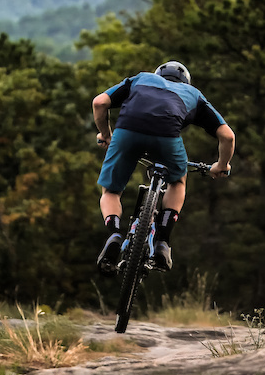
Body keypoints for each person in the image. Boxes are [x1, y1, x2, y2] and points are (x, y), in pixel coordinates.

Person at [92, 61, 235, 275]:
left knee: (111, 191)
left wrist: (105, 134)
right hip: (166, 138)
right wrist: (221, 165)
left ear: (157, 74)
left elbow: (99, 102)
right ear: (185, 81)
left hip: (127, 131)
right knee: (177, 182)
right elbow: (228, 136)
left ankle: (114, 234)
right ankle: (162, 242)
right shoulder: (193, 94)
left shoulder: (140, 78)